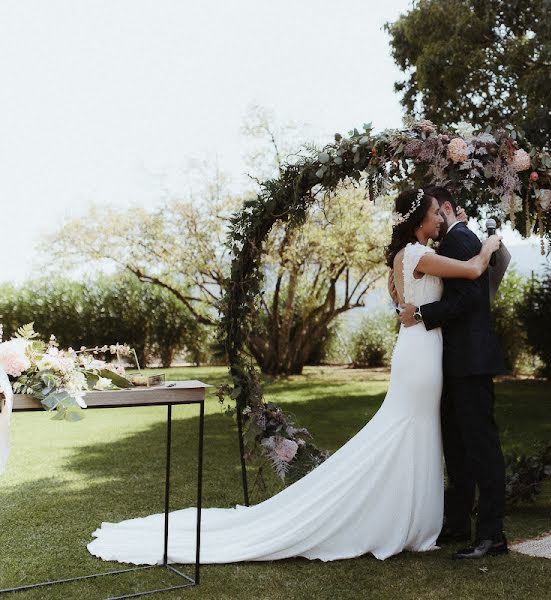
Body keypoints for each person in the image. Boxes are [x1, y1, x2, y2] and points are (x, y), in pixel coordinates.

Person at [86, 188, 501, 565]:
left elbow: (402, 301)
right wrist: (490, 244)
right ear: (419, 221)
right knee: (408, 429)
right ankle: (404, 519)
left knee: (416, 430)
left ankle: (421, 519)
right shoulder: (417, 254)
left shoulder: (405, 256)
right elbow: (474, 270)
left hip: (419, 351)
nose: (439, 221)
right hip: (422, 357)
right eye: (434, 215)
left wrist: (414, 311)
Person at [399, 185, 509, 560]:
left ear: (445, 208)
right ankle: (459, 522)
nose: (438, 219)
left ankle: (492, 535)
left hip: (471, 361)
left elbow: (470, 297)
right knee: (457, 448)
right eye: (431, 214)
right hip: (449, 362)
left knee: (481, 449)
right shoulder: (443, 245)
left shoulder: (460, 239)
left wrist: (423, 314)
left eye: (438, 212)